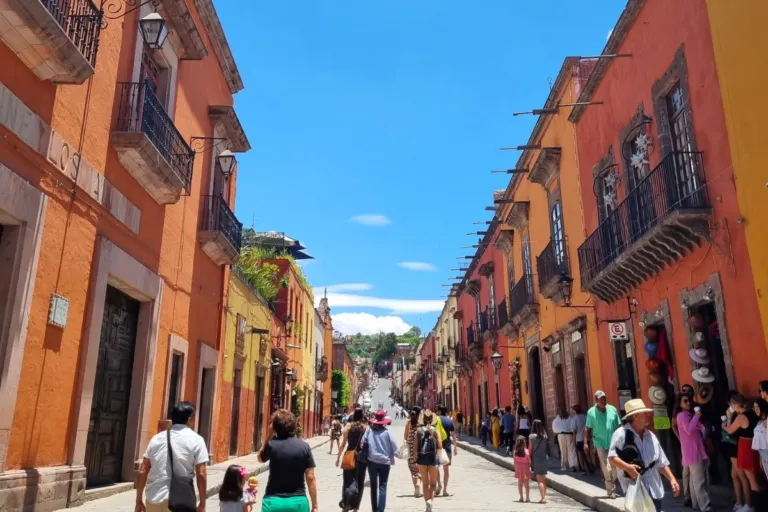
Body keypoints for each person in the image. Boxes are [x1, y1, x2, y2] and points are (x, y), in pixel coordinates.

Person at [608, 398, 680, 512]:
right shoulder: (621, 434)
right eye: (644, 413)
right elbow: (612, 457)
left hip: (654, 487)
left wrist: (672, 479)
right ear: (636, 416)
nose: (648, 415)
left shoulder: (650, 435)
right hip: (633, 487)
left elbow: (661, 462)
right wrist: (628, 468)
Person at [135, 401, 208, 512]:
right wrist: (202, 503)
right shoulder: (197, 440)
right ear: (190, 419)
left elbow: (143, 471)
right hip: (181, 501)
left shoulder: (156, 439)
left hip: (154, 499)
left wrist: (139, 501)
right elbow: (201, 474)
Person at [257, 409, 318, 512]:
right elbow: (310, 477)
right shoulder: (304, 447)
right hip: (298, 503)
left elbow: (260, 458)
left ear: (275, 427)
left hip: (273, 502)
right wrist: (315, 505)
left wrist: (269, 435)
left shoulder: (272, 445)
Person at [723, 393, 760, 511]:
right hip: (753, 444)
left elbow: (729, 430)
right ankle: (752, 504)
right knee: (752, 476)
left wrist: (725, 422)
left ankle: (752, 505)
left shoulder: (741, 417)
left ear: (734, 404)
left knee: (751, 478)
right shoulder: (752, 414)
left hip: (745, 445)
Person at [675, 393, 711, 511]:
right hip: (693, 452)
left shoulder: (687, 415)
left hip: (693, 451)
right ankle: (705, 506)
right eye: (685, 401)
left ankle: (696, 504)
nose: (688, 403)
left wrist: (698, 420)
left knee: (694, 480)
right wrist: (696, 416)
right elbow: (689, 430)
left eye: (689, 400)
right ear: (680, 403)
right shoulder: (682, 416)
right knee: (699, 480)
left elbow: (700, 428)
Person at [584, 390, 622, 498]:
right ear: (596, 400)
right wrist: (585, 443)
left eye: (604, 398)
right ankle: (611, 490)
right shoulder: (591, 412)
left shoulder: (612, 409)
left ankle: (612, 481)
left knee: (614, 466)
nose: (603, 400)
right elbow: (587, 428)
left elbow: (618, 425)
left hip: (613, 442)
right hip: (599, 442)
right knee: (606, 466)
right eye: (601, 399)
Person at [363, 409, 398, 512]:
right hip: (384, 463)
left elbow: (362, 443)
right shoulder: (387, 433)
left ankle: (374, 509)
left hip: (372, 462)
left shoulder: (369, 431)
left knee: (373, 486)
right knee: (383, 486)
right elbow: (395, 449)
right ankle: (380, 510)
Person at [335, 407, 367, 511]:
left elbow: (343, 443)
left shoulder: (348, 426)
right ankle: (356, 507)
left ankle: (346, 502)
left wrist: (338, 457)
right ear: (362, 416)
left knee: (347, 480)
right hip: (361, 457)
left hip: (349, 455)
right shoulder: (365, 428)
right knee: (360, 482)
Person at [672, 383, 696, 507]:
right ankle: (688, 496)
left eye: (688, 391)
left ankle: (695, 496)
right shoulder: (678, 409)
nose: (686, 392)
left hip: (696, 443)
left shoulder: (694, 406)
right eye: (684, 390)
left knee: (696, 472)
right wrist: (680, 438)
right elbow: (673, 425)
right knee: (686, 471)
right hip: (685, 444)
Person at [416, 410, 444, 512]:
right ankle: (430, 502)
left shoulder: (419, 431)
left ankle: (426, 503)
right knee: (433, 484)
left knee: (425, 484)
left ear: (423, 420)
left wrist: (415, 460)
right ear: (433, 420)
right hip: (433, 460)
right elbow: (440, 446)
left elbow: (415, 448)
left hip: (422, 460)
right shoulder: (436, 431)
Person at [436, 406, 457, 497]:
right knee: (446, 469)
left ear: (439, 411)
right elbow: (453, 435)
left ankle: (439, 484)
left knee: (436, 467)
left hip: (437, 446)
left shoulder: (436, 420)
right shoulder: (449, 421)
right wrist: (455, 447)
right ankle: (445, 490)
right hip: (447, 446)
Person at [528, 419, 549, 504]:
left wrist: (528, 458)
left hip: (536, 459)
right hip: (544, 458)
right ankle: (544, 496)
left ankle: (543, 498)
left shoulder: (531, 436)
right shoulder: (545, 436)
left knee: (539, 480)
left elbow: (530, 449)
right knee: (543, 479)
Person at [404, 407, 423, 498]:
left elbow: (405, 436)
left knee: (412, 469)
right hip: (420, 447)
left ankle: (416, 487)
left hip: (411, 449)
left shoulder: (408, 422)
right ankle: (419, 482)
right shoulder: (421, 423)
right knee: (420, 467)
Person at [552, 406, 577, 472]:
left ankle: (563, 466)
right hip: (569, 434)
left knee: (563, 450)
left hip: (561, 435)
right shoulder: (570, 418)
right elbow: (573, 427)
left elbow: (555, 430)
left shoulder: (556, 420)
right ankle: (573, 464)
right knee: (571, 450)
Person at [571, 404, 590, 474]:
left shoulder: (574, 419)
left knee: (580, 454)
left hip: (579, 439)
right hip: (587, 438)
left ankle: (582, 469)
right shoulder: (585, 417)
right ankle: (591, 467)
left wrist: (573, 441)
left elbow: (574, 432)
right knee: (587, 453)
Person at [513, 435, 531, 503]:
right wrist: (529, 465)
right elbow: (529, 461)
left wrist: (515, 467)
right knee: (526, 484)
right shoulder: (526, 451)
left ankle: (521, 497)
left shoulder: (515, 451)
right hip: (525, 467)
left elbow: (514, 460)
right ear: (524, 442)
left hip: (518, 467)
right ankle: (527, 498)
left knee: (520, 483)